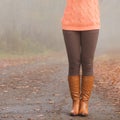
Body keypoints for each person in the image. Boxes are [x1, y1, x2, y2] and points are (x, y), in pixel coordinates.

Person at [61, 0, 101, 117]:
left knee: (87, 63)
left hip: (91, 21)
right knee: (73, 63)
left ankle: (84, 103)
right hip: (70, 23)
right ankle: (75, 103)